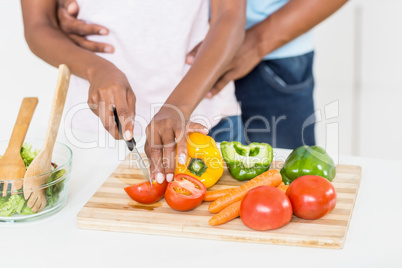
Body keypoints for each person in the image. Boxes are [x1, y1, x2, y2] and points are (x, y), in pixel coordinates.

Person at [56, 0, 348, 149]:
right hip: (203, 58)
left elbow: (229, 14)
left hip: (268, 56)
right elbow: (37, 23)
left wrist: (258, 42)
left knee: (284, 188)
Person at [21, 0, 246, 184]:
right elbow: (38, 25)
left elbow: (230, 15)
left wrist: (178, 106)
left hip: (206, 118)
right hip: (93, 131)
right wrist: (95, 69)